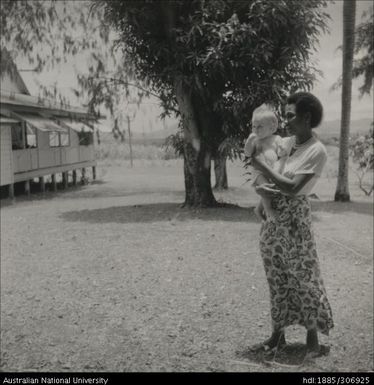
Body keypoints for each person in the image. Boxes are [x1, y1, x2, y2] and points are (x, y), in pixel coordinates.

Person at [249, 92, 334, 357]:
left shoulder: (315, 151)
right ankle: (278, 335)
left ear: (307, 117)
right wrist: (263, 201)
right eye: (284, 116)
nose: (285, 121)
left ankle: (312, 341)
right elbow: (263, 150)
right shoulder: (286, 143)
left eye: (290, 115)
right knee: (276, 276)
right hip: (274, 220)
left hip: (295, 221)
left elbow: (293, 187)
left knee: (303, 277)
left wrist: (259, 165)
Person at [244, 104, 287, 221]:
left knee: (270, 190)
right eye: (254, 126)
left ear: (272, 128)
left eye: (260, 127)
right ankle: (268, 210)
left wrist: (282, 149)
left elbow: (282, 152)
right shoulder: (255, 141)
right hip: (259, 172)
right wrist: (249, 142)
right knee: (266, 188)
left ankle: (258, 209)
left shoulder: (277, 139)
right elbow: (247, 153)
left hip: (272, 170)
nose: (256, 130)